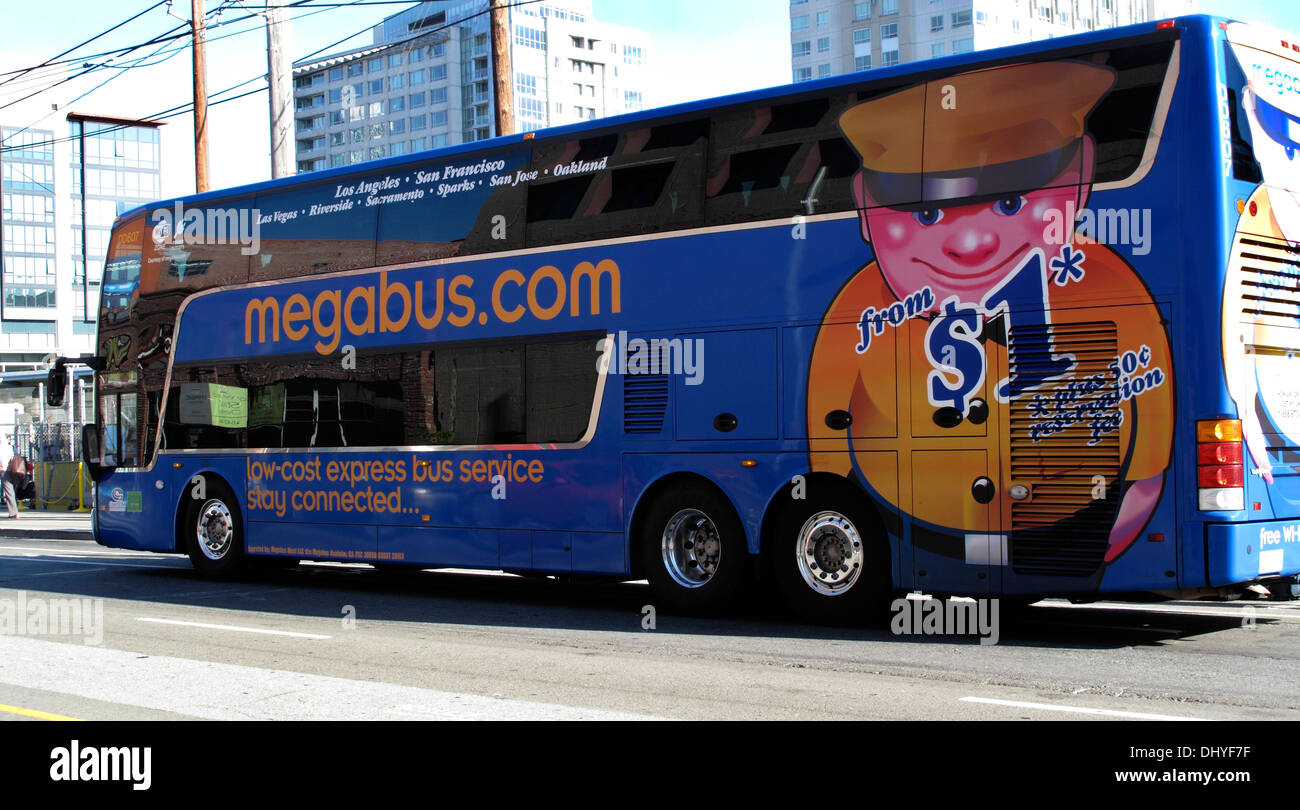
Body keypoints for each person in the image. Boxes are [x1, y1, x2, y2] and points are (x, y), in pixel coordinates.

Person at [806, 59, 1174, 577]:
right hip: (906, 529)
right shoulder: (855, 308)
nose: (970, 242)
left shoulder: (1108, 287)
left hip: (1068, 528)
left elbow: (1146, 466)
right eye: (926, 212)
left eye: (1007, 201)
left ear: (1078, 179)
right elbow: (827, 458)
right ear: (866, 205)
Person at [0, 433, 22, 519]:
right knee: (9, 491)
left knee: (9, 491)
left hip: (4, 470)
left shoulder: (2, 447)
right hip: (10, 470)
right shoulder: (11, 447)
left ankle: (13, 512)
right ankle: (13, 512)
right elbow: (16, 457)